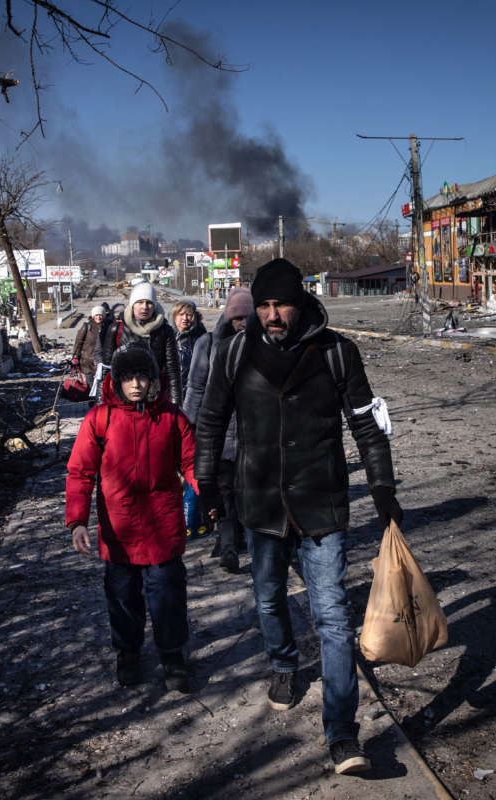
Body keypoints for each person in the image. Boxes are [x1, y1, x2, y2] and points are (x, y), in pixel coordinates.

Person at [194, 258, 401, 775]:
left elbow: (366, 425)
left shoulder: (336, 353)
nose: (271, 315)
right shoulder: (235, 352)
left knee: (333, 617)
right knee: (268, 600)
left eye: (279, 304)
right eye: (262, 306)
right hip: (259, 503)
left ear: (301, 301)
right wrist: (206, 481)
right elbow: (212, 419)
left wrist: (382, 487)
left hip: (320, 502)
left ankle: (343, 734)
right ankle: (284, 664)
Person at [66, 344, 196, 692]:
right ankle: (128, 652)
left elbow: (191, 463)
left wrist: (204, 493)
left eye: (142, 376)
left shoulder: (172, 418)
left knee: (168, 594)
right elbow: (80, 472)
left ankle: (172, 655)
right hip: (118, 528)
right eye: (128, 378)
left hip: (163, 526)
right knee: (123, 596)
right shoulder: (100, 419)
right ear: (116, 381)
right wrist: (77, 520)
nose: (136, 384)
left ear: (153, 379)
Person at [183, 287, 252, 573]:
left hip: (252, 436)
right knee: (223, 493)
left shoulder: (263, 345)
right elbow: (196, 387)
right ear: (227, 317)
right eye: (237, 317)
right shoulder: (208, 344)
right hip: (219, 434)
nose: (243, 323)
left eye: (247, 316)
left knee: (245, 493)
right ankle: (228, 548)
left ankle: (241, 540)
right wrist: (187, 425)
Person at [100, 283, 182, 405]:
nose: (145, 307)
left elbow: (172, 371)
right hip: (124, 400)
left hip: (156, 399)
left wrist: (176, 403)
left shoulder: (165, 331)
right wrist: (101, 404)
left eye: (149, 303)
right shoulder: (117, 330)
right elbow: (105, 370)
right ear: (132, 305)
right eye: (140, 302)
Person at [171, 299, 206, 407]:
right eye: (181, 314)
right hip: (170, 392)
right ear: (174, 316)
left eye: (189, 315)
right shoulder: (167, 335)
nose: (185, 318)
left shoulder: (201, 336)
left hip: (194, 395)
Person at [71, 304, 106, 388]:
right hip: (87, 361)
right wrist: (75, 357)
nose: (98, 317)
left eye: (100, 315)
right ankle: (91, 399)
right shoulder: (87, 326)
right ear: (93, 316)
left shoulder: (107, 327)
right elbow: (78, 342)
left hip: (101, 361)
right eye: (96, 315)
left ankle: (98, 399)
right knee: (90, 382)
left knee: (100, 383)